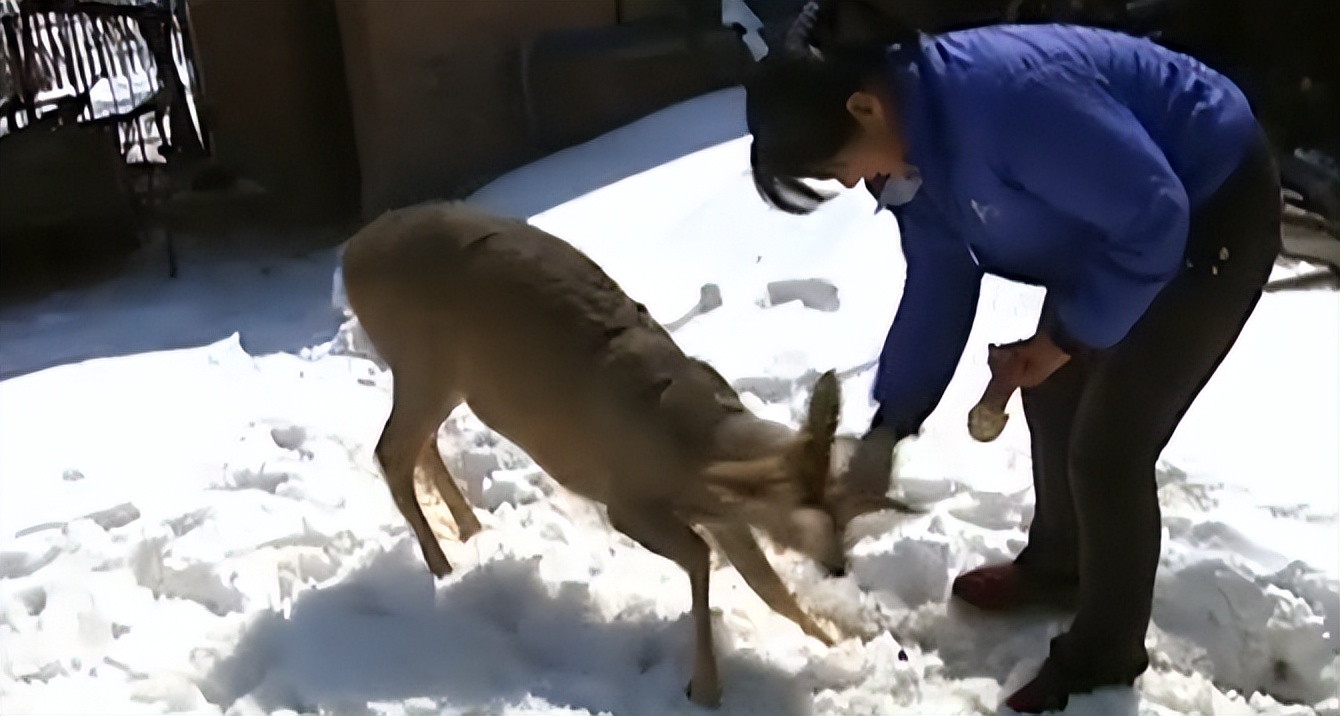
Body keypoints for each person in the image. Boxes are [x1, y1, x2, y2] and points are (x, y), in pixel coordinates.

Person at [744, 22, 1281, 713]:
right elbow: (940, 275)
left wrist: (1065, 336)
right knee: (1051, 392)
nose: (849, 182)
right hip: (1117, 222)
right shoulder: (913, 144)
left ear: (864, 107)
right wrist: (892, 425)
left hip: (1211, 205)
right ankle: (1061, 565)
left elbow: (1154, 217)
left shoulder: (1009, 105)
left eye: (836, 165)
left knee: (1110, 451)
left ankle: (1103, 660)